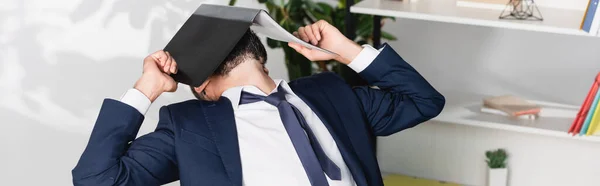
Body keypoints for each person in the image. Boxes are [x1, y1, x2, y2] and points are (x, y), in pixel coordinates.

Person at [72, 20, 445, 186]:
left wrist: (346, 50)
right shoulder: (188, 126)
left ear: (200, 83)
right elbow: (96, 181)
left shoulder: (331, 93)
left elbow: (424, 102)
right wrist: (145, 89)